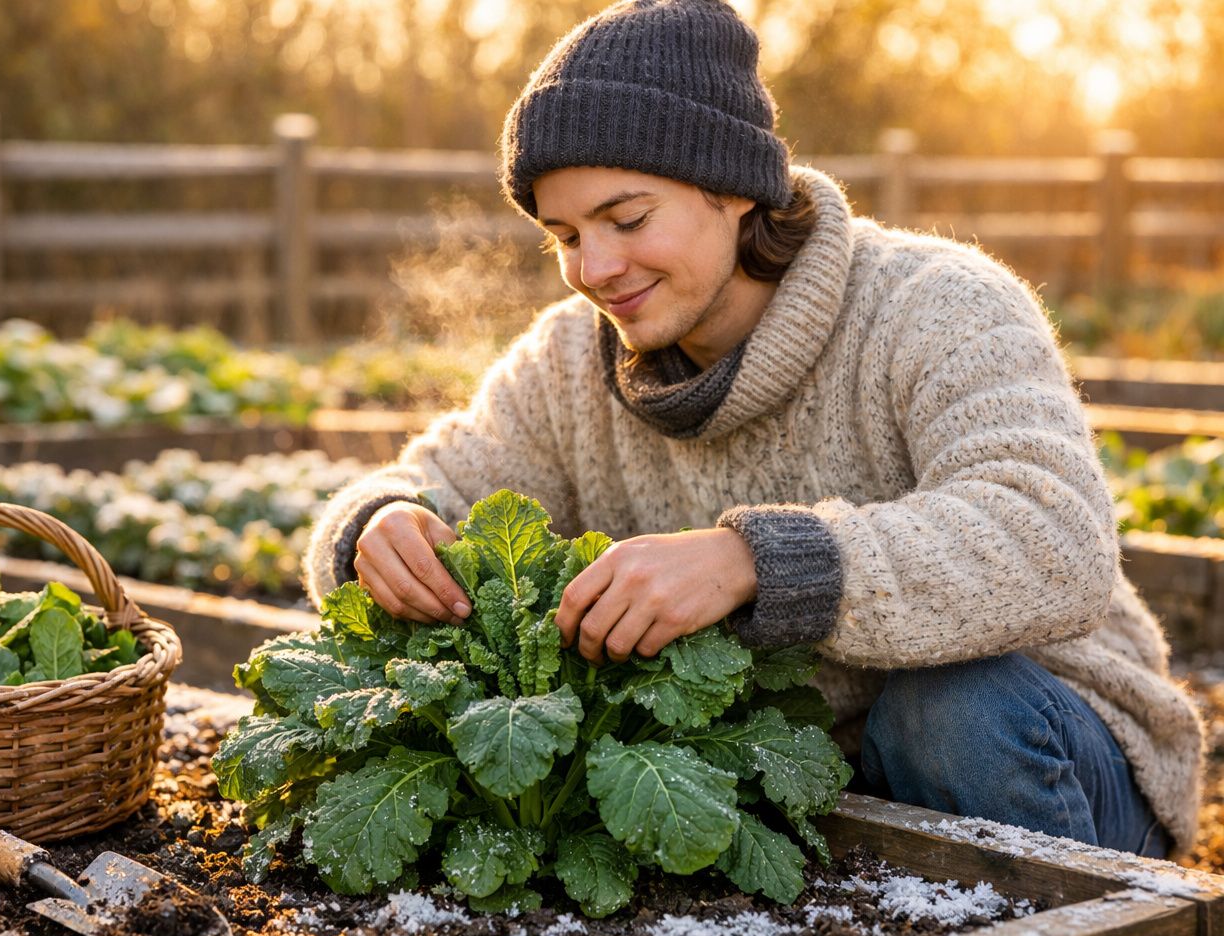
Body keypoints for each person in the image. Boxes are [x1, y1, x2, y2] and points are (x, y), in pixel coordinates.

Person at [303, 0, 1203, 858]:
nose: (596, 269)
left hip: (1053, 748)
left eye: (627, 218)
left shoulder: (939, 305)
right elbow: (432, 483)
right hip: (814, 798)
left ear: (735, 190)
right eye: (565, 235)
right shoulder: (568, 365)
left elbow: (1054, 541)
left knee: (947, 711)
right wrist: (379, 526)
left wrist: (754, 563)